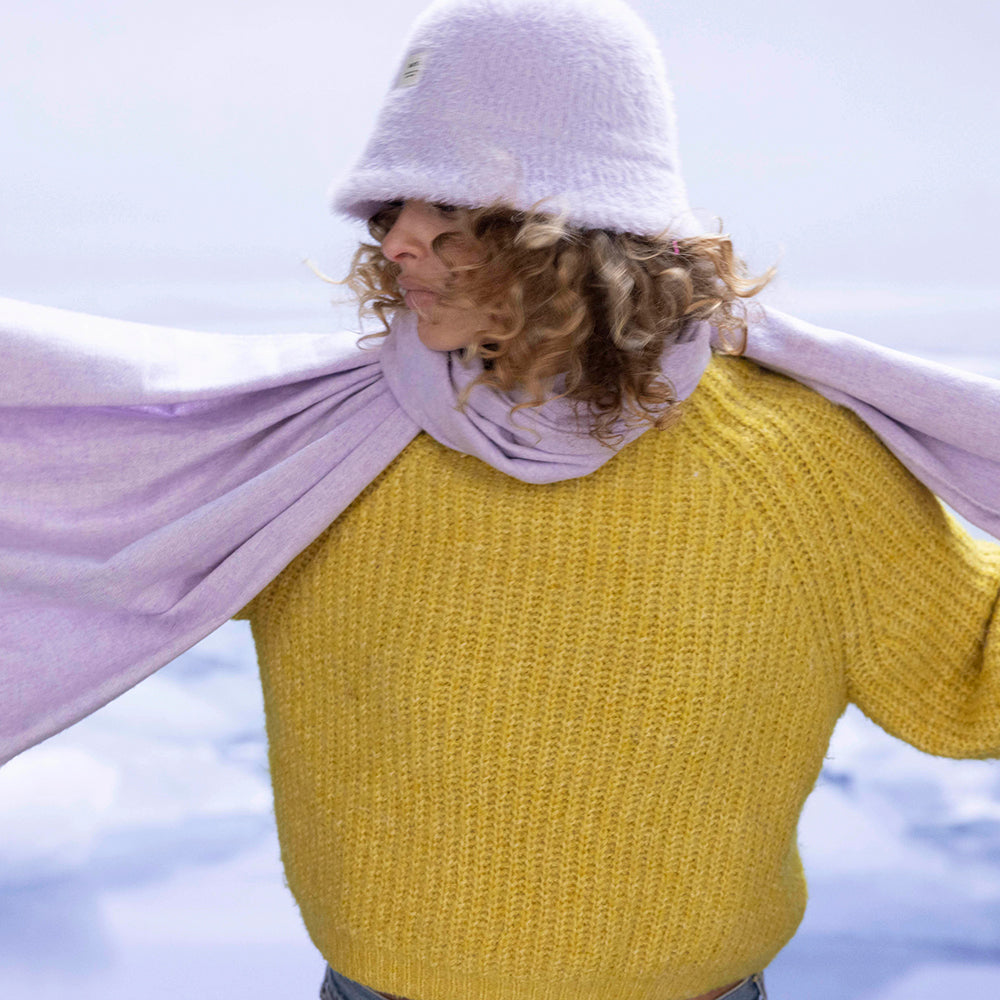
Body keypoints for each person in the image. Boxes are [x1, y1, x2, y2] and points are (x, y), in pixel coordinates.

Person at [1, 2, 998, 1000]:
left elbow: (964, 680)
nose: (395, 242)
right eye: (388, 209)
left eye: (442, 208)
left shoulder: (796, 465)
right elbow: (69, 519)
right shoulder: (324, 442)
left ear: (578, 224)